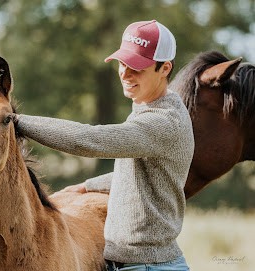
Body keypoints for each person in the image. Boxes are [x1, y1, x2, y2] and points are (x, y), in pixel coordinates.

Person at [14, 20, 194, 271]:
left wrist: (16, 121)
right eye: (123, 63)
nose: (125, 73)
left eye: (137, 67)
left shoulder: (164, 122)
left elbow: (88, 140)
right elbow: (143, 176)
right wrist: (87, 186)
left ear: (164, 68)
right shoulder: (149, 107)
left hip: (149, 267)